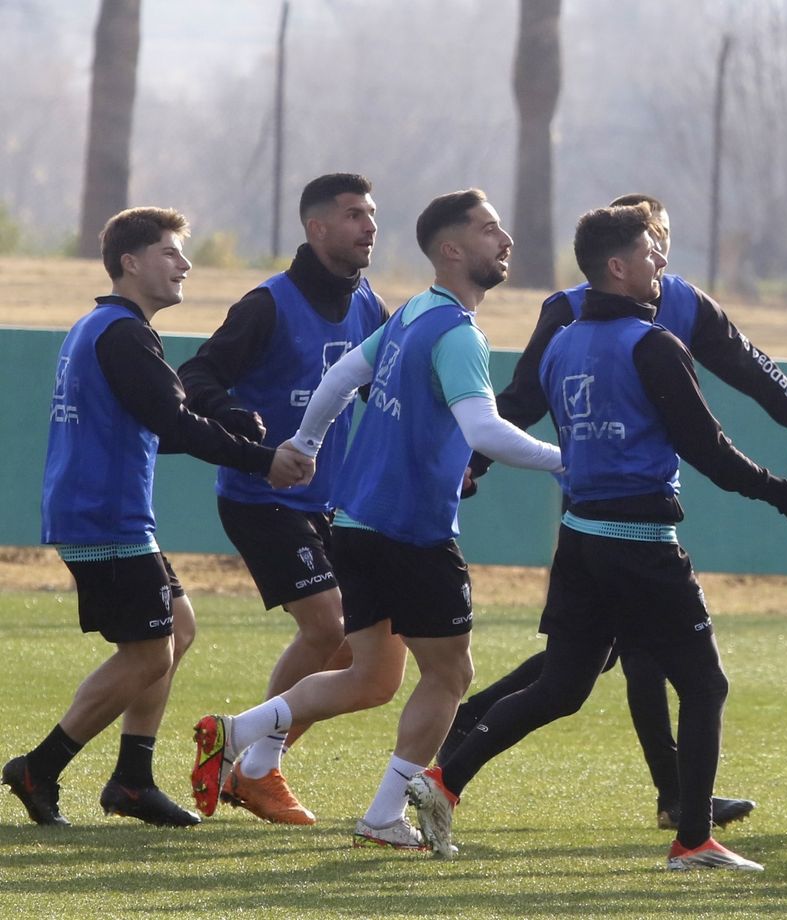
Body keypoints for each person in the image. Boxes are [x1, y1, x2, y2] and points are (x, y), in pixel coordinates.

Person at [405, 203, 787, 870]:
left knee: (563, 686)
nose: (662, 262)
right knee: (704, 685)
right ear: (617, 266)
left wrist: (478, 463)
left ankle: (444, 780)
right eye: (650, 252)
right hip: (641, 540)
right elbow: (710, 449)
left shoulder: (564, 339)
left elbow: (524, 405)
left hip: (580, 536)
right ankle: (692, 838)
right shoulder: (654, 345)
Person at [189, 189, 564, 851]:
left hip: (356, 527)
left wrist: (305, 443)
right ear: (451, 250)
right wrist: (569, 462)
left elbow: (338, 378)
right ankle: (383, 815)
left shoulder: (414, 312)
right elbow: (484, 427)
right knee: (450, 676)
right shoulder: (456, 332)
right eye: (489, 231)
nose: (505, 242)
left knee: (371, 679)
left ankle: (239, 732)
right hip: (413, 535)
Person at [3, 207, 312, 829]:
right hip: (103, 516)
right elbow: (172, 422)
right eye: (171, 253)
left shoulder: (103, 327)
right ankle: (40, 767)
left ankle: (132, 781)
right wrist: (259, 460)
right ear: (131, 262)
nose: (185, 265)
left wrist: (224, 424)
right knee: (147, 654)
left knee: (179, 629)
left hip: (105, 513)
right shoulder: (122, 333)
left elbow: (153, 421)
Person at [177, 173, 388, 826]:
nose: (369, 226)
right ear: (316, 228)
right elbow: (195, 377)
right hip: (259, 497)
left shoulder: (369, 307)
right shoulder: (267, 304)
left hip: (331, 503)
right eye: (354, 215)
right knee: (327, 627)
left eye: (373, 214)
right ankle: (255, 767)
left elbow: (387, 392)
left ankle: (253, 768)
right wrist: (240, 418)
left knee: (356, 654)